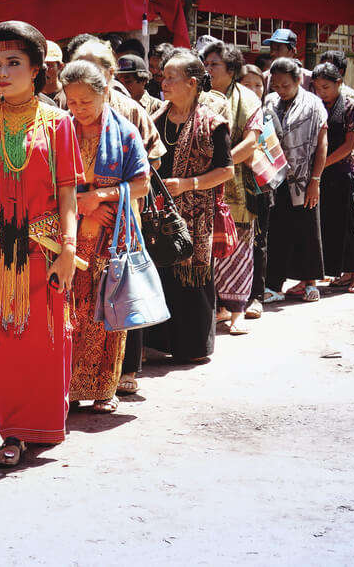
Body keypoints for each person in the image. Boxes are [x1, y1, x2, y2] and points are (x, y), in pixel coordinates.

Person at [0, 20, 84, 467]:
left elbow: (68, 191)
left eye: (15, 63)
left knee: (48, 343)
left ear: (36, 70)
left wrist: (68, 249)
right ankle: (12, 432)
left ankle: (45, 425)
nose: (2, 72)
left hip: (45, 247)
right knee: (6, 345)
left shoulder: (60, 123)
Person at [61, 59, 149, 412]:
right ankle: (65, 385)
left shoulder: (125, 132)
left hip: (110, 240)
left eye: (86, 102)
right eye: (72, 102)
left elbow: (141, 184)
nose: (79, 109)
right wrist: (82, 206)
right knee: (71, 314)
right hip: (70, 237)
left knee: (106, 314)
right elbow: (51, 182)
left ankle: (103, 389)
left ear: (104, 95)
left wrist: (101, 197)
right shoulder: (61, 129)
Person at [146, 48, 234, 362]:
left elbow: (227, 170)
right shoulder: (155, 119)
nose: (164, 82)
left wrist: (188, 184)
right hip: (159, 214)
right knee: (161, 275)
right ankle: (160, 342)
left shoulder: (212, 123)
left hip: (196, 218)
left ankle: (193, 347)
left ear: (192, 83)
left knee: (192, 281)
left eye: (171, 77)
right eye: (163, 76)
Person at [200, 40, 262, 334]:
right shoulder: (200, 96)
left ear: (232, 69)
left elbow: (251, 143)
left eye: (215, 65)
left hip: (238, 187)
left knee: (239, 250)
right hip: (202, 186)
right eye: (206, 64)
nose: (208, 69)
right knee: (208, 250)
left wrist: (221, 166)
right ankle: (217, 308)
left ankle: (237, 311)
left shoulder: (248, 99)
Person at [261, 57, 328, 304]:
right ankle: (274, 284)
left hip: (304, 177)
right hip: (275, 178)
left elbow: (322, 144)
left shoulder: (314, 105)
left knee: (307, 229)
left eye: (285, 85)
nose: (280, 90)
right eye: (275, 85)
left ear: (298, 81)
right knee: (276, 231)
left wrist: (316, 180)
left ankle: (310, 283)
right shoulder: (269, 102)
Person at [70, 39, 166, 168]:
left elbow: (154, 160)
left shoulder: (132, 111)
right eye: (80, 71)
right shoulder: (67, 109)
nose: (86, 77)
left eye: (93, 71)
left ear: (110, 73)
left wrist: (125, 185)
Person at [313, 62, 354, 293]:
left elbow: (349, 145)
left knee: (348, 224)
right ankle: (338, 271)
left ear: (339, 83)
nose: (321, 92)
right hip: (320, 173)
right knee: (327, 223)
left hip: (342, 171)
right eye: (317, 88)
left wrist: (322, 165)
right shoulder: (316, 105)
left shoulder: (351, 106)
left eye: (326, 87)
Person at [237, 63, 270, 319]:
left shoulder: (267, 114)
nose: (253, 89)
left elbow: (274, 155)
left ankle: (255, 296)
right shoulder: (234, 110)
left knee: (258, 242)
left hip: (261, 187)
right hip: (234, 187)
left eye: (257, 84)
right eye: (247, 84)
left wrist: (251, 156)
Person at [42, 40, 65, 106]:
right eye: (40, 65)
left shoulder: (70, 96)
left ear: (60, 66)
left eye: (49, 65)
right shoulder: (29, 98)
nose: (44, 70)